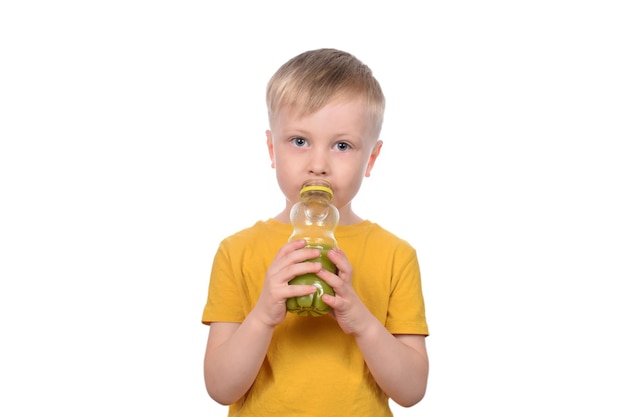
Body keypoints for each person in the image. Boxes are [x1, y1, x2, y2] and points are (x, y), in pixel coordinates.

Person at [201, 48, 429, 417]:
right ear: (272, 149)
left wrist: (362, 321)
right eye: (299, 141)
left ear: (370, 159)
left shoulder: (395, 255)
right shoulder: (236, 251)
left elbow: (412, 390)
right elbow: (219, 387)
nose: (318, 165)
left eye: (342, 146)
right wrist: (262, 316)